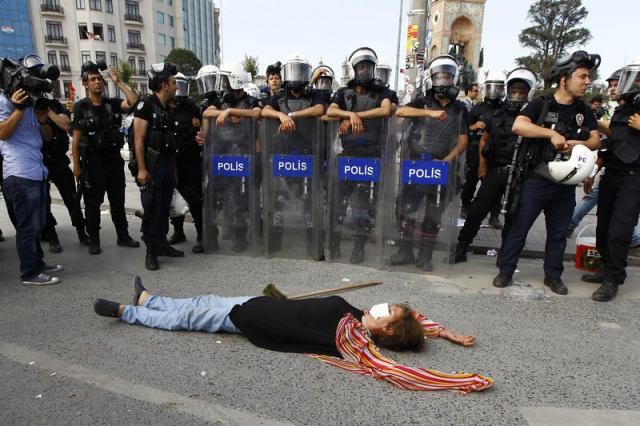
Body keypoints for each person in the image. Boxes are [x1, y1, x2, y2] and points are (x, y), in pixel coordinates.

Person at [92, 276, 493, 393]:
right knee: (202, 297)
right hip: (257, 301)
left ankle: (128, 312)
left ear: (387, 328)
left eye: (389, 311)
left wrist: (463, 379)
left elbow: (397, 372)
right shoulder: (359, 313)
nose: (384, 305)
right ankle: (150, 297)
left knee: (192, 317)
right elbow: (413, 317)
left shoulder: (354, 339)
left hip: (247, 320)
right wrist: (444, 333)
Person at [493, 51, 601, 294]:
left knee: (558, 233)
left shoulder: (584, 110)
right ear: (564, 79)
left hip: (565, 184)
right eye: (582, 76)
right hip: (536, 178)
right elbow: (519, 125)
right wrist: (550, 134)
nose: (587, 82)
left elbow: (595, 140)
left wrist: (573, 143)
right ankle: (506, 271)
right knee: (519, 228)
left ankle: (553, 276)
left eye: (588, 77)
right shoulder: (541, 104)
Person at [388, 54, 469, 271]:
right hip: (416, 167)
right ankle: (405, 251)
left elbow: (463, 141)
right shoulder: (422, 100)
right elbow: (401, 111)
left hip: (441, 169)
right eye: (439, 77)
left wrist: (446, 161)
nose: (443, 82)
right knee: (404, 208)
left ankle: (425, 256)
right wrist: (429, 113)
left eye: (447, 78)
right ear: (432, 78)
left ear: (454, 79)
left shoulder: (459, 108)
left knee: (433, 214)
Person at [452, 68, 537, 263]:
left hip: (520, 175)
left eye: (521, 92)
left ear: (528, 94)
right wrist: (483, 166)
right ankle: (461, 248)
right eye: (513, 91)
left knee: (513, 218)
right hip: (495, 171)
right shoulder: (497, 114)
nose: (516, 95)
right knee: (476, 212)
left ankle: (505, 257)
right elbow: (485, 140)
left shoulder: (534, 116)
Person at [0, 54, 63, 285]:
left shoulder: (33, 103)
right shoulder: (5, 101)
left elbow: (45, 137)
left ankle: (38, 263)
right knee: (27, 227)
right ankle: (29, 272)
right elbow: (3, 133)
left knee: (37, 226)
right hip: (19, 174)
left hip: (37, 173)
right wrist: (18, 108)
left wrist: (44, 119)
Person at [326, 47, 392, 264]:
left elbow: (384, 110)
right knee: (338, 204)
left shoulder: (383, 92)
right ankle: (334, 245)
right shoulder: (344, 93)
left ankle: (359, 248)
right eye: (361, 67)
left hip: (370, 158)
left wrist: (355, 117)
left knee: (362, 207)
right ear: (354, 69)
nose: (365, 70)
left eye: (369, 67)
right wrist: (349, 113)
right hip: (347, 157)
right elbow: (330, 112)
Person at [583, 58, 640, 301]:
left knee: (620, 230)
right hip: (612, 175)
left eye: (620, 83)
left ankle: (613, 279)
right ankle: (607, 268)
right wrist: (595, 169)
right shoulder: (621, 109)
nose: (615, 87)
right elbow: (614, 141)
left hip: (634, 179)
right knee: (603, 227)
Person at [72, 62, 140, 255]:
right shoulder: (80, 107)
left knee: (118, 201)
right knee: (93, 204)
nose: (97, 82)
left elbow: (133, 101)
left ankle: (123, 236)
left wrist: (119, 82)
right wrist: (76, 166)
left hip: (113, 160)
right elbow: (75, 141)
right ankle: (94, 239)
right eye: (92, 79)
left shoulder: (111, 104)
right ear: (86, 84)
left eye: (99, 78)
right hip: (93, 163)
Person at [260, 54, 325, 255]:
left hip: (308, 153)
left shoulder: (314, 94)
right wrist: (280, 115)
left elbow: (320, 108)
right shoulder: (279, 97)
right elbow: (265, 111)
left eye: (301, 71)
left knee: (310, 200)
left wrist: (291, 115)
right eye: (293, 71)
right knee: (279, 197)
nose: (297, 77)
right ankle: (276, 239)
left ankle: (311, 241)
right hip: (283, 154)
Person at [202, 62, 262, 252]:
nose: (224, 85)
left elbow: (256, 113)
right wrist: (225, 112)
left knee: (240, 201)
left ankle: (240, 238)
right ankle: (211, 239)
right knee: (214, 200)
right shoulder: (220, 100)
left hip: (242, 158)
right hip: (220, 158)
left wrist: (233, 111)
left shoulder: (251, 100)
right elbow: (207, 112)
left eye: (227, 81)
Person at [133, 63, 182, 271]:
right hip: (152, 165)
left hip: (167, 163)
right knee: (152, 209)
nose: (176, 87)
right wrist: (142, 169)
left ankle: (162, 245)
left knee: (164, 208)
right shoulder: (146, 105)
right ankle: (151, 251)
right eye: (173, 83)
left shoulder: (166, 108)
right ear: (163, 85)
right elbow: (138, 140)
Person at [39, 98, 89, 253]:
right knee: (43, 202)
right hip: (39, 161)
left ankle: (81, 232)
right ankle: (52, 236)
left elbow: (66, 125)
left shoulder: (52, 104)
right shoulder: (25, 106)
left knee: (71, 198)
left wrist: (47, 110)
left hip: (59, 159)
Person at [459, 71, 506, 229]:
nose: (495, 91)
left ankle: (494, 215)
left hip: (497, 151)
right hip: (475, 148)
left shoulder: (505, 109)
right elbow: (464, 128)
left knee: (496, 185)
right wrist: (475, 126)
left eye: (498, 88)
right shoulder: (477, 108)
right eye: (492, 88)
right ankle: (465, 206)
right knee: (471, 180)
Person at [166, 72, 205, 254]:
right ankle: (178, 231)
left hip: (190, 160)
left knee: (195, 199)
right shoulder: (162, 108)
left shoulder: (191, 108)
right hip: (171, 161)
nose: (178, 89)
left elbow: (202, 130)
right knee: (173, 199)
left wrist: (201, 136)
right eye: (175, 84)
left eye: (181, 85)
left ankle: (201, 235)